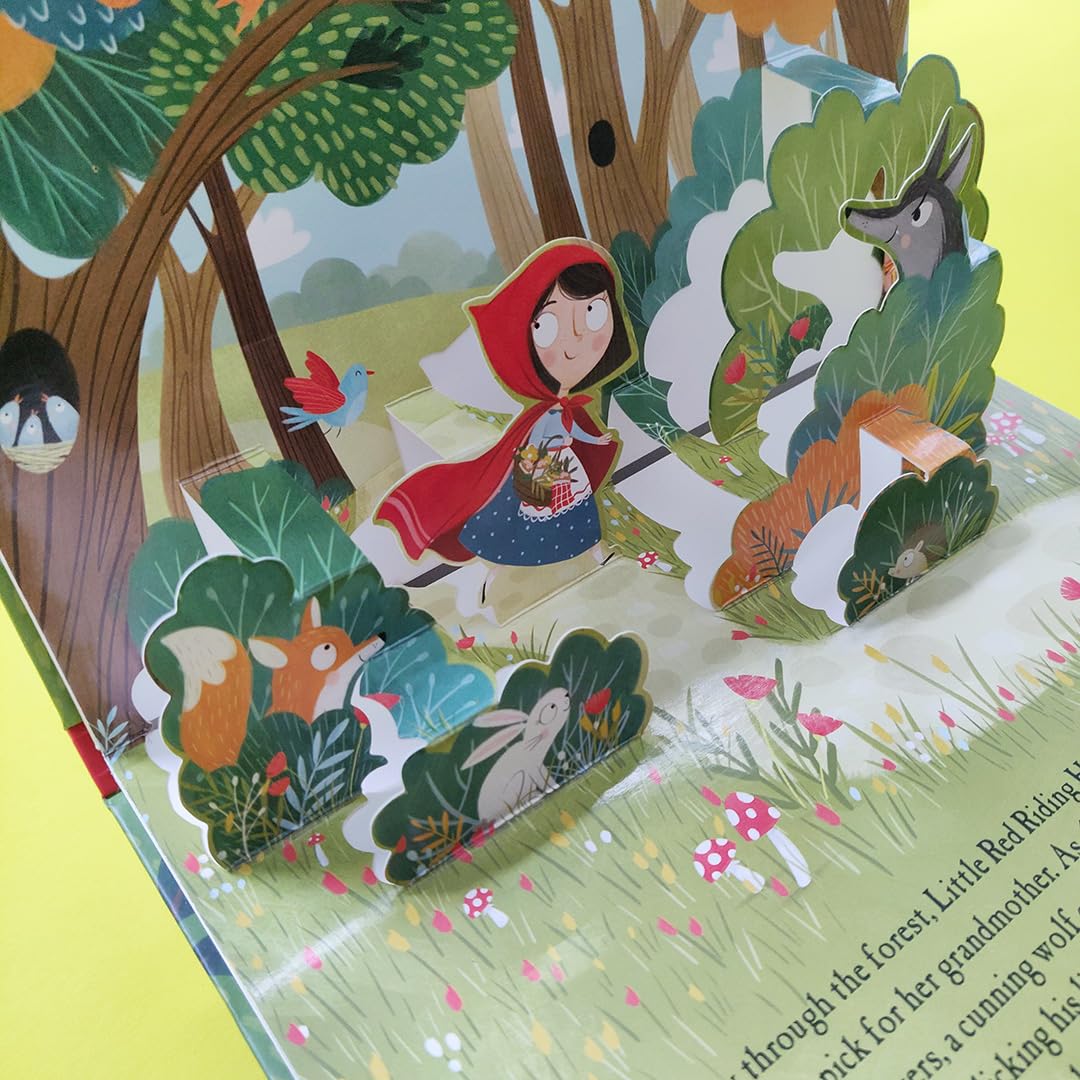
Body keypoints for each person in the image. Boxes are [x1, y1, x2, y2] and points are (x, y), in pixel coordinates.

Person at [377, 240, 634, 568]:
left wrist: (595, 441)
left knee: (579, 506)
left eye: (594, 312)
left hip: (562, 465)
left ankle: (592, 548)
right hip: (547, 467)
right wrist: (536, 464)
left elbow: (576, 432)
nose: (577, 337)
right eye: (548, 326)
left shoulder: (568, 409)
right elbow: (539, 441)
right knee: (547, 512)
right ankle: (547, 556)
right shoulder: (545, 414)